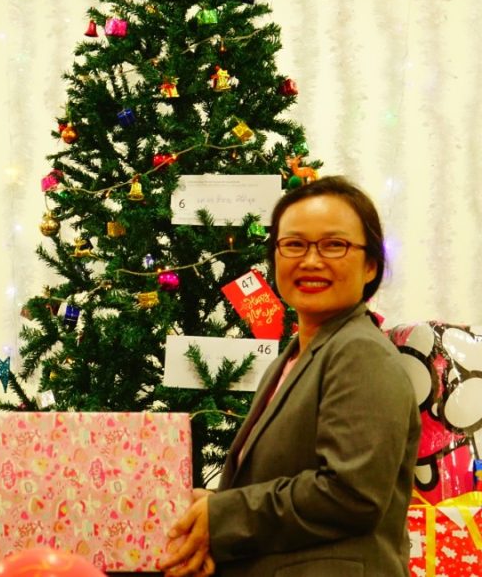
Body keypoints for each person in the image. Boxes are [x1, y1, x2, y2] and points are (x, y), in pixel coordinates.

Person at [159, 176, 420, 577]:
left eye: (334, 245)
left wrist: (224, 514)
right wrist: (209, 509)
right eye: (294, 244)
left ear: (370, 265)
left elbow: (351, 494)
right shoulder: (295, 357)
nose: (311, 261)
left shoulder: (360, 352)